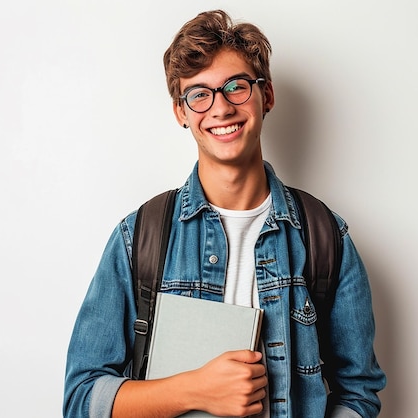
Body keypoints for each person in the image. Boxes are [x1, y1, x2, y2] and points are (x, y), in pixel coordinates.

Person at [64, 9, 386, 418]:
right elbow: (81, 399)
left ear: (266, 95)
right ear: (181, 112)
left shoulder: (324, 236)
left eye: (236, 86)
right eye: (199, 94)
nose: (220, 107)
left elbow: (358, 393)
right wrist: (193, 391)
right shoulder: (139, 236)